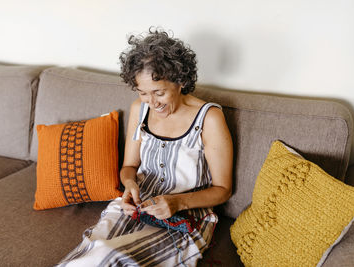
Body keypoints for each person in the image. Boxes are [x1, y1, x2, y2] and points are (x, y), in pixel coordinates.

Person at [58, 28, 233, 267]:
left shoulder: (209, 118)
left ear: (180, 81)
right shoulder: (140, 109)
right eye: (143, 93)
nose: (152, 103)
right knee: (89, 255)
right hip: (138, 208)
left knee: (108, 257)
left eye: (159, 93)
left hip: (185, 216)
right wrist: (130, 186)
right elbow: (129, 166)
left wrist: (178, 203)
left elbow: (223, 189)